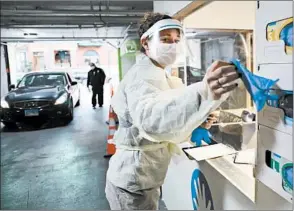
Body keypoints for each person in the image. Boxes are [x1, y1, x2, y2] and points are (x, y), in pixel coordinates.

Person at [105, 12, 240, 210]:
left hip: (146, 177)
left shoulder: (161, 75)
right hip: (132, 182)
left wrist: (198, 120)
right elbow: (152, 119)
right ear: (146, 43)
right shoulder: (141, 77)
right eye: (165, 39)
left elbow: (172, 111)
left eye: (177, 40)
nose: (172, 46)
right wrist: (203, 92)